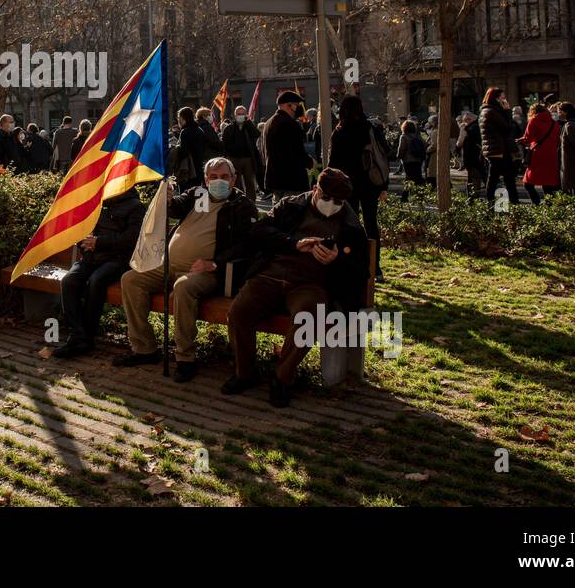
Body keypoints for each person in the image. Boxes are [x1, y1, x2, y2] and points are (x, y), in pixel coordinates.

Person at [221, 168, 368, 406]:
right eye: (326, 198)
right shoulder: (291, 206)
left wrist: (336, 260)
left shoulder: (350, 226)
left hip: (311, 284)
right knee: (240, 311)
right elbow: (259, 231)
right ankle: (244, 373)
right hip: (270, 276)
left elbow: (361, 270)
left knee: (308, 319)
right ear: (315, 190)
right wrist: (294, 244)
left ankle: (282, 377)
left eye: (338, 201)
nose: (331, 204)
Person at [112, 158, 259, 382]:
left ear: (234, 179)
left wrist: (214, 263)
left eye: (224, 177)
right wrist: (167, 197)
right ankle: (144, 349)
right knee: (131, 280)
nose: (219, 181)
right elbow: (175, 208)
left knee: (182, 287)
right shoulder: (197, 195)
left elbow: (247, 244)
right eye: (213, 177)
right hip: (169, 265)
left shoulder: (241, 205)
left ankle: (185, 358)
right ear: (205, 179)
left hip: (207, 273)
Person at [53, 187, 146, 358]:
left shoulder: (136, 207)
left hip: (118, 260)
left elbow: (131, 239)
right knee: (69, 281)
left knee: (96, 281)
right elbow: (83, 228)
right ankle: (77, 335)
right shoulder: (98, 202)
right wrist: (83, 241)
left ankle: (87, 337)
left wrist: (99, 242)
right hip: (91, 257)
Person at [327, 95, 387, 277]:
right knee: (371, 225)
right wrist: (383, 185)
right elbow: (381, 157)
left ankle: (353, 264)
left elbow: (333, 163)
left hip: (347, 186)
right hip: (370, 184)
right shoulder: (370, 128)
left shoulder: (339, 132)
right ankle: (375, 267)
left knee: (350, 226)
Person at [262, 91, 312, 201]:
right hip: (291, 180)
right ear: (288, 105)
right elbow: (297, 151)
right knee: (293, 215)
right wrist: (310, 162)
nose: (298, 107)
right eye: (296, 104)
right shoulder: (289, 123)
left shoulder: (268, 123)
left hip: (275, 180)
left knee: (280, 213)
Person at [479, 88, 519, 206]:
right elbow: (507, 127)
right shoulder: (491, 111)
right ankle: (497, 206)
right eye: (502, 98)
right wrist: (507, 111)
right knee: (498, 179)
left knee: (504, 178)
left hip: (498, 149)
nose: (505, 100)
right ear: (496, 98)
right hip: (498, 150)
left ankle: (505, 206)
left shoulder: (489, 110)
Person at [221, 105, 263, 200]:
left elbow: (257, 134)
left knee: (250, 182)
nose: (240, 116)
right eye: (238, 114)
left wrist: (248, 123)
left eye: (242, 114)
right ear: (235, 115)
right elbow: (224, 144)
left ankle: (251, 203)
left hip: (248, 159)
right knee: (236, 182)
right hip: (233, 159)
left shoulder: (249, 126)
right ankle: (238, 201)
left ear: (246, 115)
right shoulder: (229, 128)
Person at [172, 107, 205, 190]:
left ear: (183, 118)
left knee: (185, 195)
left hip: (187, 171)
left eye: (179, 118)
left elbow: (183, 152)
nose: (178, 120)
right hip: (198, 169)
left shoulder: (185, 132)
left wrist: (175, 149)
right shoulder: (199, 130)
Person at [395, 119, 426, 185]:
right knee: (417, 176)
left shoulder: (403, 136)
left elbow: (401, 148)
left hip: (407, 160)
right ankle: (419, 191)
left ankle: (405, 194)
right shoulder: (418, 136)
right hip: (418, 159)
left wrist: (399, 156)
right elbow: (424, 145)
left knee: (409, 177)